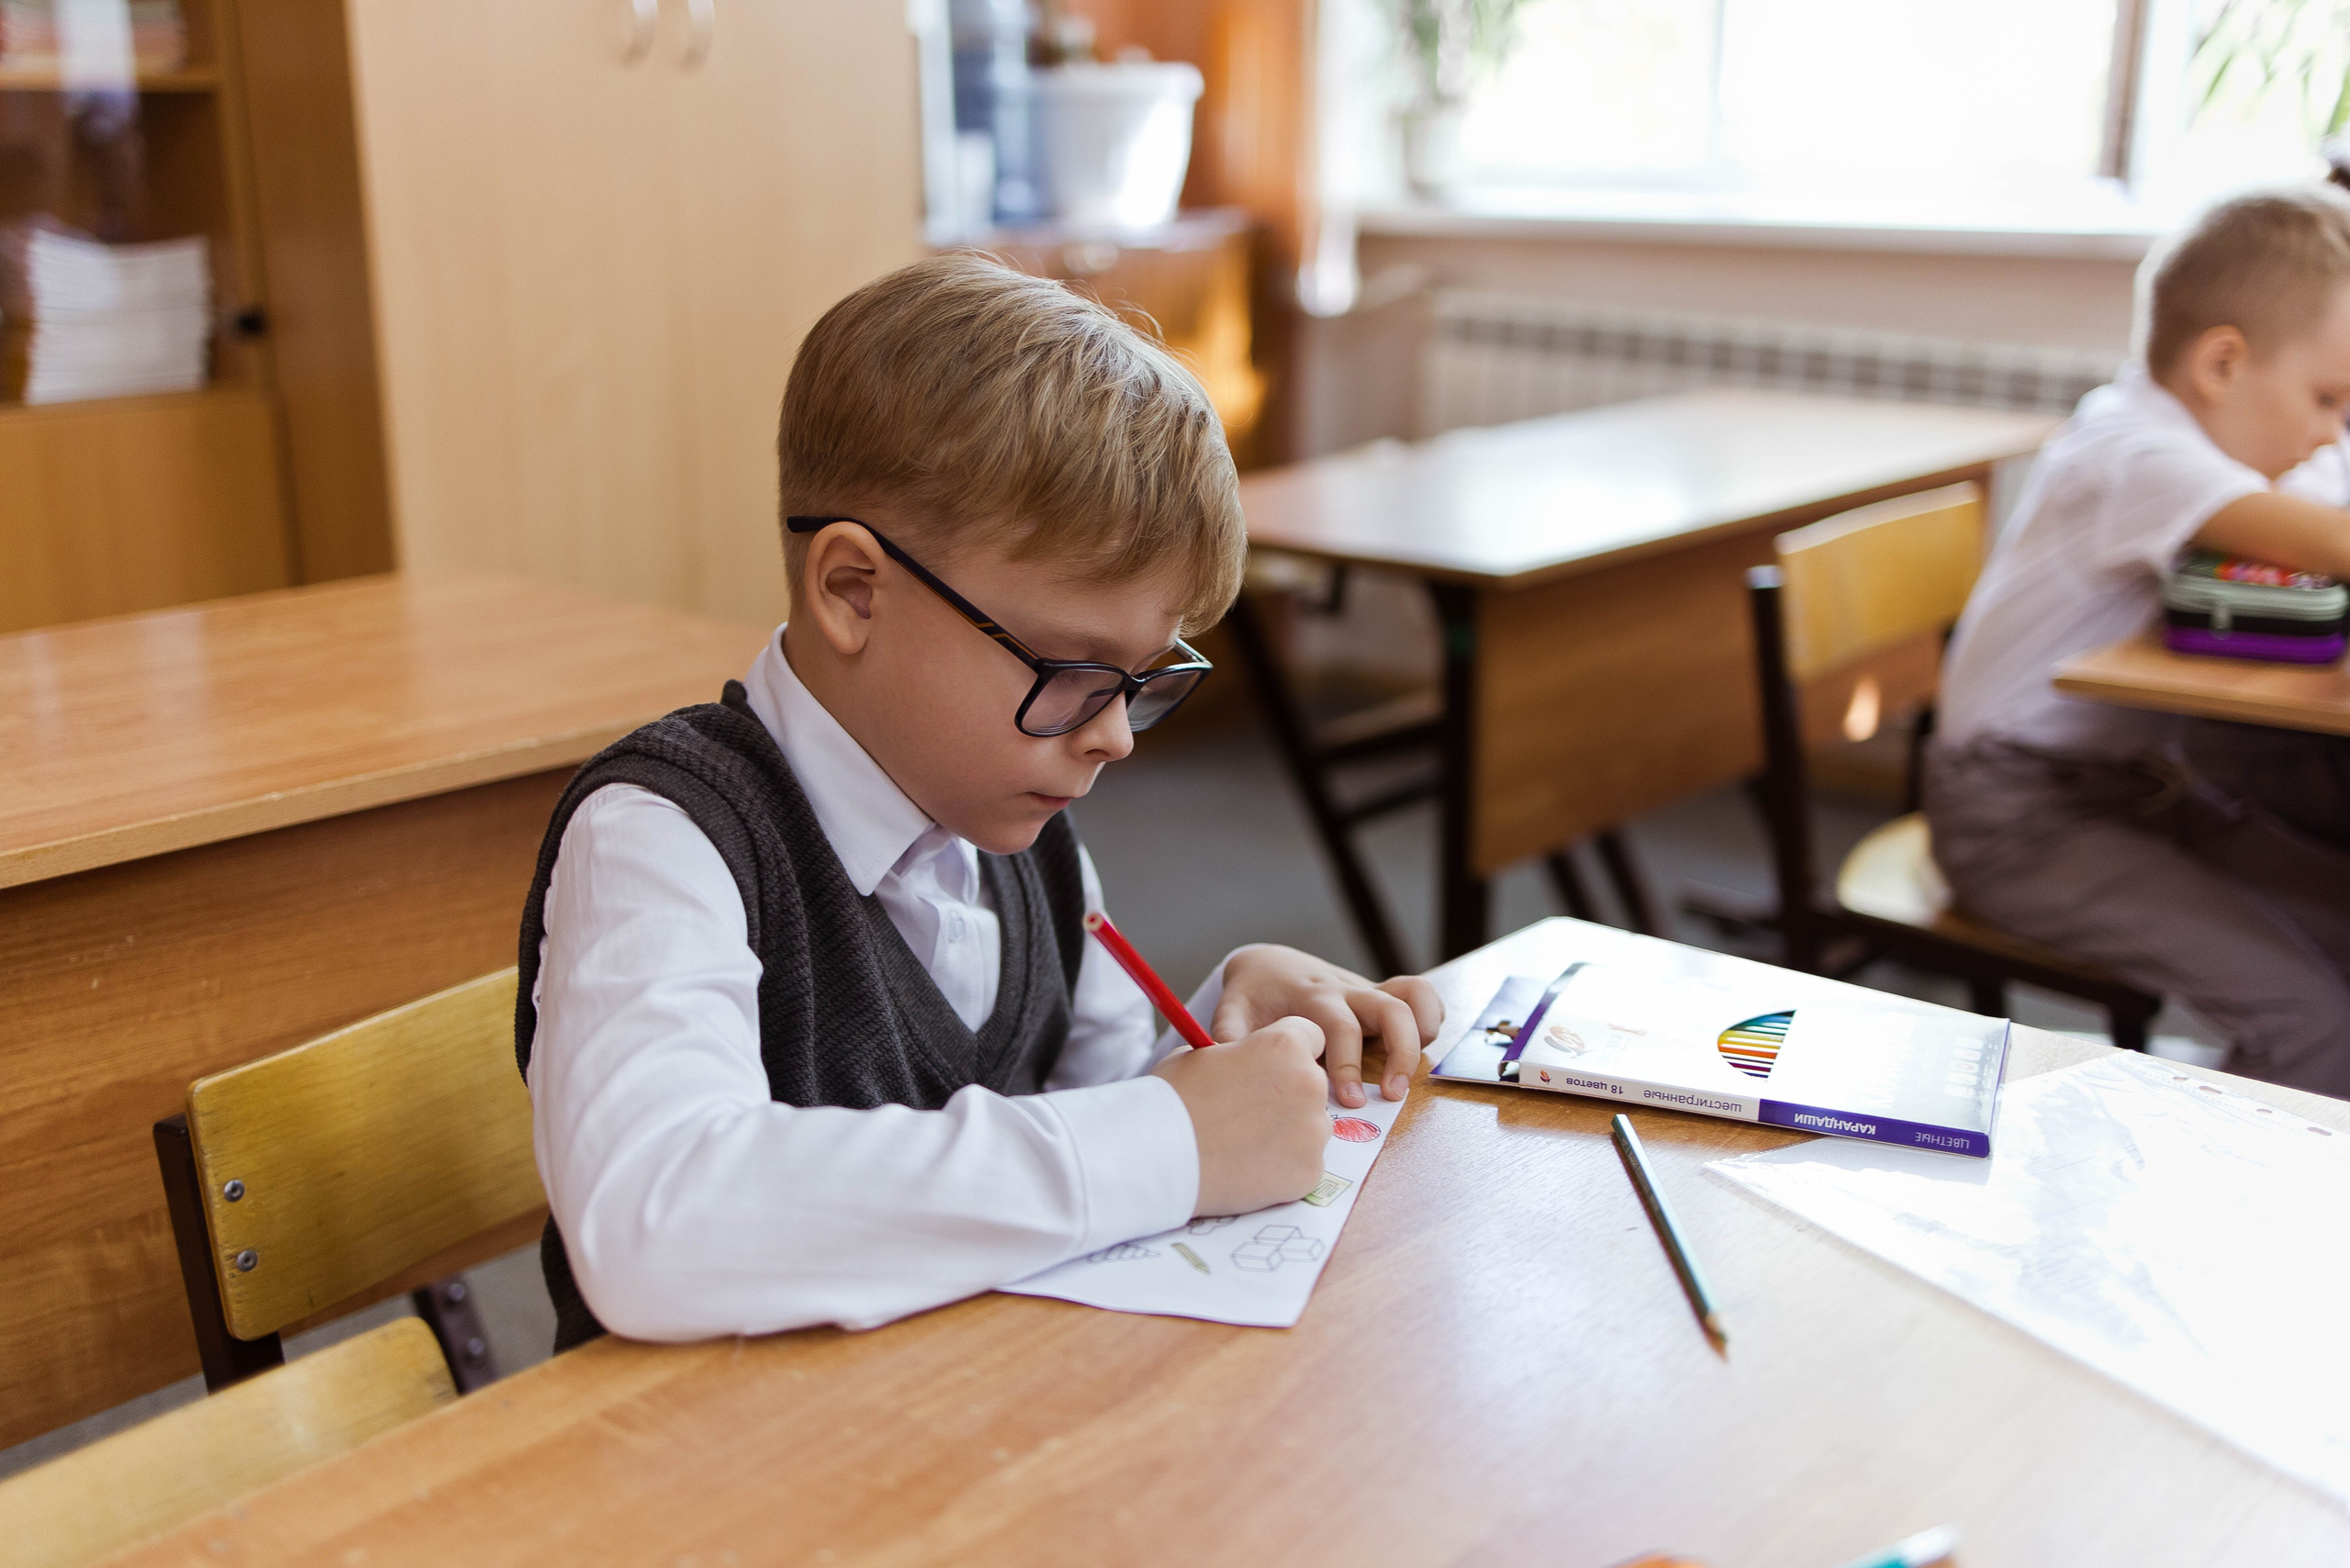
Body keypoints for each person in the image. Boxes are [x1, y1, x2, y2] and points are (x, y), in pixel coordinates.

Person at [514, 255, 1442, 1349]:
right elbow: (655, 1225)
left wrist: (1215, 1058)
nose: (1109, 733)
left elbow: (1076, 1138)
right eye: (1072, 668)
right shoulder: (661, 840)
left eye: (1143, 679)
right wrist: (1173, 1135)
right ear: (855, 591)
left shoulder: (1020, 832)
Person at [1928, 187, 2350, 1096]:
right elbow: (2331, 537)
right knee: (2313, 1021)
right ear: (2222, 363)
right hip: (2017, 816)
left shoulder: (2178, 440)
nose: (2330, 431)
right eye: (2325, 397)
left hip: (2135, 793)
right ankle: (2195, 1191)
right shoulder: (2133, 450)